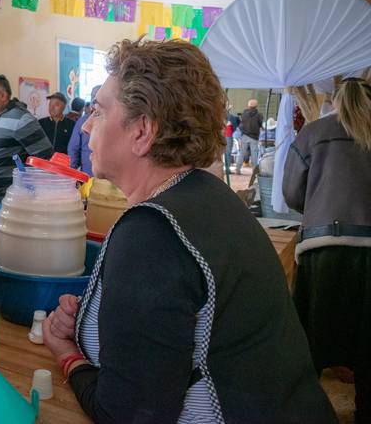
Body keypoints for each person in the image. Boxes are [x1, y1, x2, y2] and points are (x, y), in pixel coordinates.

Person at [42, 38, 338, 423]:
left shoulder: (151, 234)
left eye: (98, 110)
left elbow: (128, 414)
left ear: (142, 131)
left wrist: (66, 352)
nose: (85, 124)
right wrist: (94, 321)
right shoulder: (211, 197)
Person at [283, 77, 371, 423]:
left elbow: (292, 193)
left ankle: (306, 414)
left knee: (309, 345)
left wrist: (319, 204)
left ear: (336, 101)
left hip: (322, 249)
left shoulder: (314, 133)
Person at [0, 74, 53, 235]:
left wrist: (28, 195)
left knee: (5, 253)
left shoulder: (23, 120)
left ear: (3, 95)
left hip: (8, 203)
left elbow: (45, 160)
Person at [68, 86, 100, 175]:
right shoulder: (82, 121)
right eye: (92, 96)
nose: (94, 99)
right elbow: (73, 149)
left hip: (110, 179)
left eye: (98, 96)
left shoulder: (115, 121)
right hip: (88, 177)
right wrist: (71, 173)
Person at [235, 98, 263, 174]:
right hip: (254, 137)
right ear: (256, 106)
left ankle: (237, 169)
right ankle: (254, 170)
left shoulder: (244, 113)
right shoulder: (259, 115)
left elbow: (242, 123)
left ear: (248, 105)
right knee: (254, 154)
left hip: (244, 135)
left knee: (242, 153)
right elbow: (261, 124)